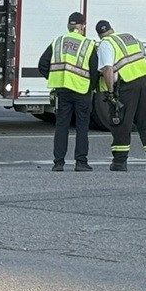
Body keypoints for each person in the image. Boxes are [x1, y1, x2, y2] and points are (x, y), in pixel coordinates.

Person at [96, 20, 146, 171]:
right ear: (112, 28)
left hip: (126, 86)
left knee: (121, 123)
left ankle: (119, 162)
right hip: (145, 83)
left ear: (99, 35)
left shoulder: (105, 43)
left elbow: (107, 69)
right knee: (145, 121)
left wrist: (110, 92)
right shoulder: (130, 37)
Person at [38, 12, 96, 172]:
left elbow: (42, 64)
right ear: (82, 26)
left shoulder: (57, 41)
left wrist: (56, 78)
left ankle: (58, 163)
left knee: (61, 125)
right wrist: (92, 87)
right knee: (82, 127)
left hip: (62, 90)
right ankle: (81, 162)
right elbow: (94, 70)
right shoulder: (88, 44)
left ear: (69, 26)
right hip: (82, 91)